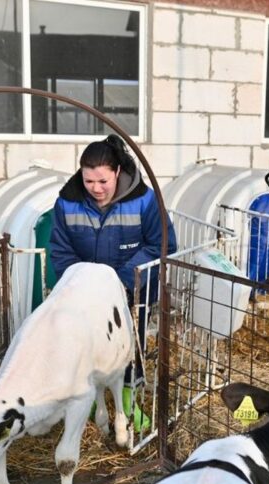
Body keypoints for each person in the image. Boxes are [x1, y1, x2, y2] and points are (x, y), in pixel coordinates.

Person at [49, 134, 177, 433]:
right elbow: (61, 249)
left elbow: (162, 244)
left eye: (103, 181)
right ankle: (92, 401)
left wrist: (122, 281)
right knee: (84, 348)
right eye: (88, 180)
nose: (95, 188)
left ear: (118, 172)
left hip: (131, 292)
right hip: (84, 295)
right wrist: (80, 285)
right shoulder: (67, 203)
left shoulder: (144, 200)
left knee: (130, 348)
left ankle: (129, 405)